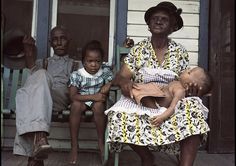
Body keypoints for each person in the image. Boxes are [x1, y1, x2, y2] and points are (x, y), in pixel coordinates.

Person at [105, 2, 210, 166]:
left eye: (164, 19)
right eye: (154, 18)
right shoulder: (139, 49)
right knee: (118, 116)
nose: (158, 22)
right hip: (143, 100)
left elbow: (184, 81)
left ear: (172, 27)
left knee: (195, 110)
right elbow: (122, 76)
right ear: (148, 25)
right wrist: (125, 82)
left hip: (170, 99)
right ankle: (147, 157)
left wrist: (192, 90)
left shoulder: (179, 51)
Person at [13, 26, 81, 166]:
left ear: (69, 41)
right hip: (41, 104)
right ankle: (40, 140)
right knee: (31, 85)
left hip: (61, 101)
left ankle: (34, 156)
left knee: (28, 92)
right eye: (55, 39)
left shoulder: (77, 64)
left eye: (63, 38)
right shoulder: (43, 63)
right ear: (50, 42)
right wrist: (28, 47)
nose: (59, 42)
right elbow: (30, 65)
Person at [67, 40, 113, 164]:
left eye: (97, 61)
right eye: (90, 61)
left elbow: (114, 80)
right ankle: (74, 146)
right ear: (83, 61)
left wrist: (108, 84)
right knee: (75, 106)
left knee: (99, 106)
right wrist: (94, 96)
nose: (94, 65)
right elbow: (73, 96)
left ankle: (101, 144)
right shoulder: (77, 75)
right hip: (82, 100)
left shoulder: (104, 72)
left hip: (97, 102)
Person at [131, 66, 212, 127]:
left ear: (188, 84)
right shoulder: (177, 82)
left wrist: (162, 117)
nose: (186, 70)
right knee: (140, 88)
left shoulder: (180, 91)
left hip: (157, 106)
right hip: (158, 97)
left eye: (189, 72)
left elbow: (173, 107)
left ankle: (150, 111)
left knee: (142, 95)